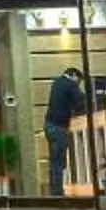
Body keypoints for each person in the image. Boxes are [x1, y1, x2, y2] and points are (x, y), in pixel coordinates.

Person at [44, 67, 87, 196]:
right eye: (78, 81)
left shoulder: (56, 82)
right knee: (59, 160)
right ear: (73, 75)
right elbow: (80, 101)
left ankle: (53, 189)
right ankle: (57, 191)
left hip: (49, 125)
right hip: (59, 126)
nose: (78, 84)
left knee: (53, 160)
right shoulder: (70, 84)